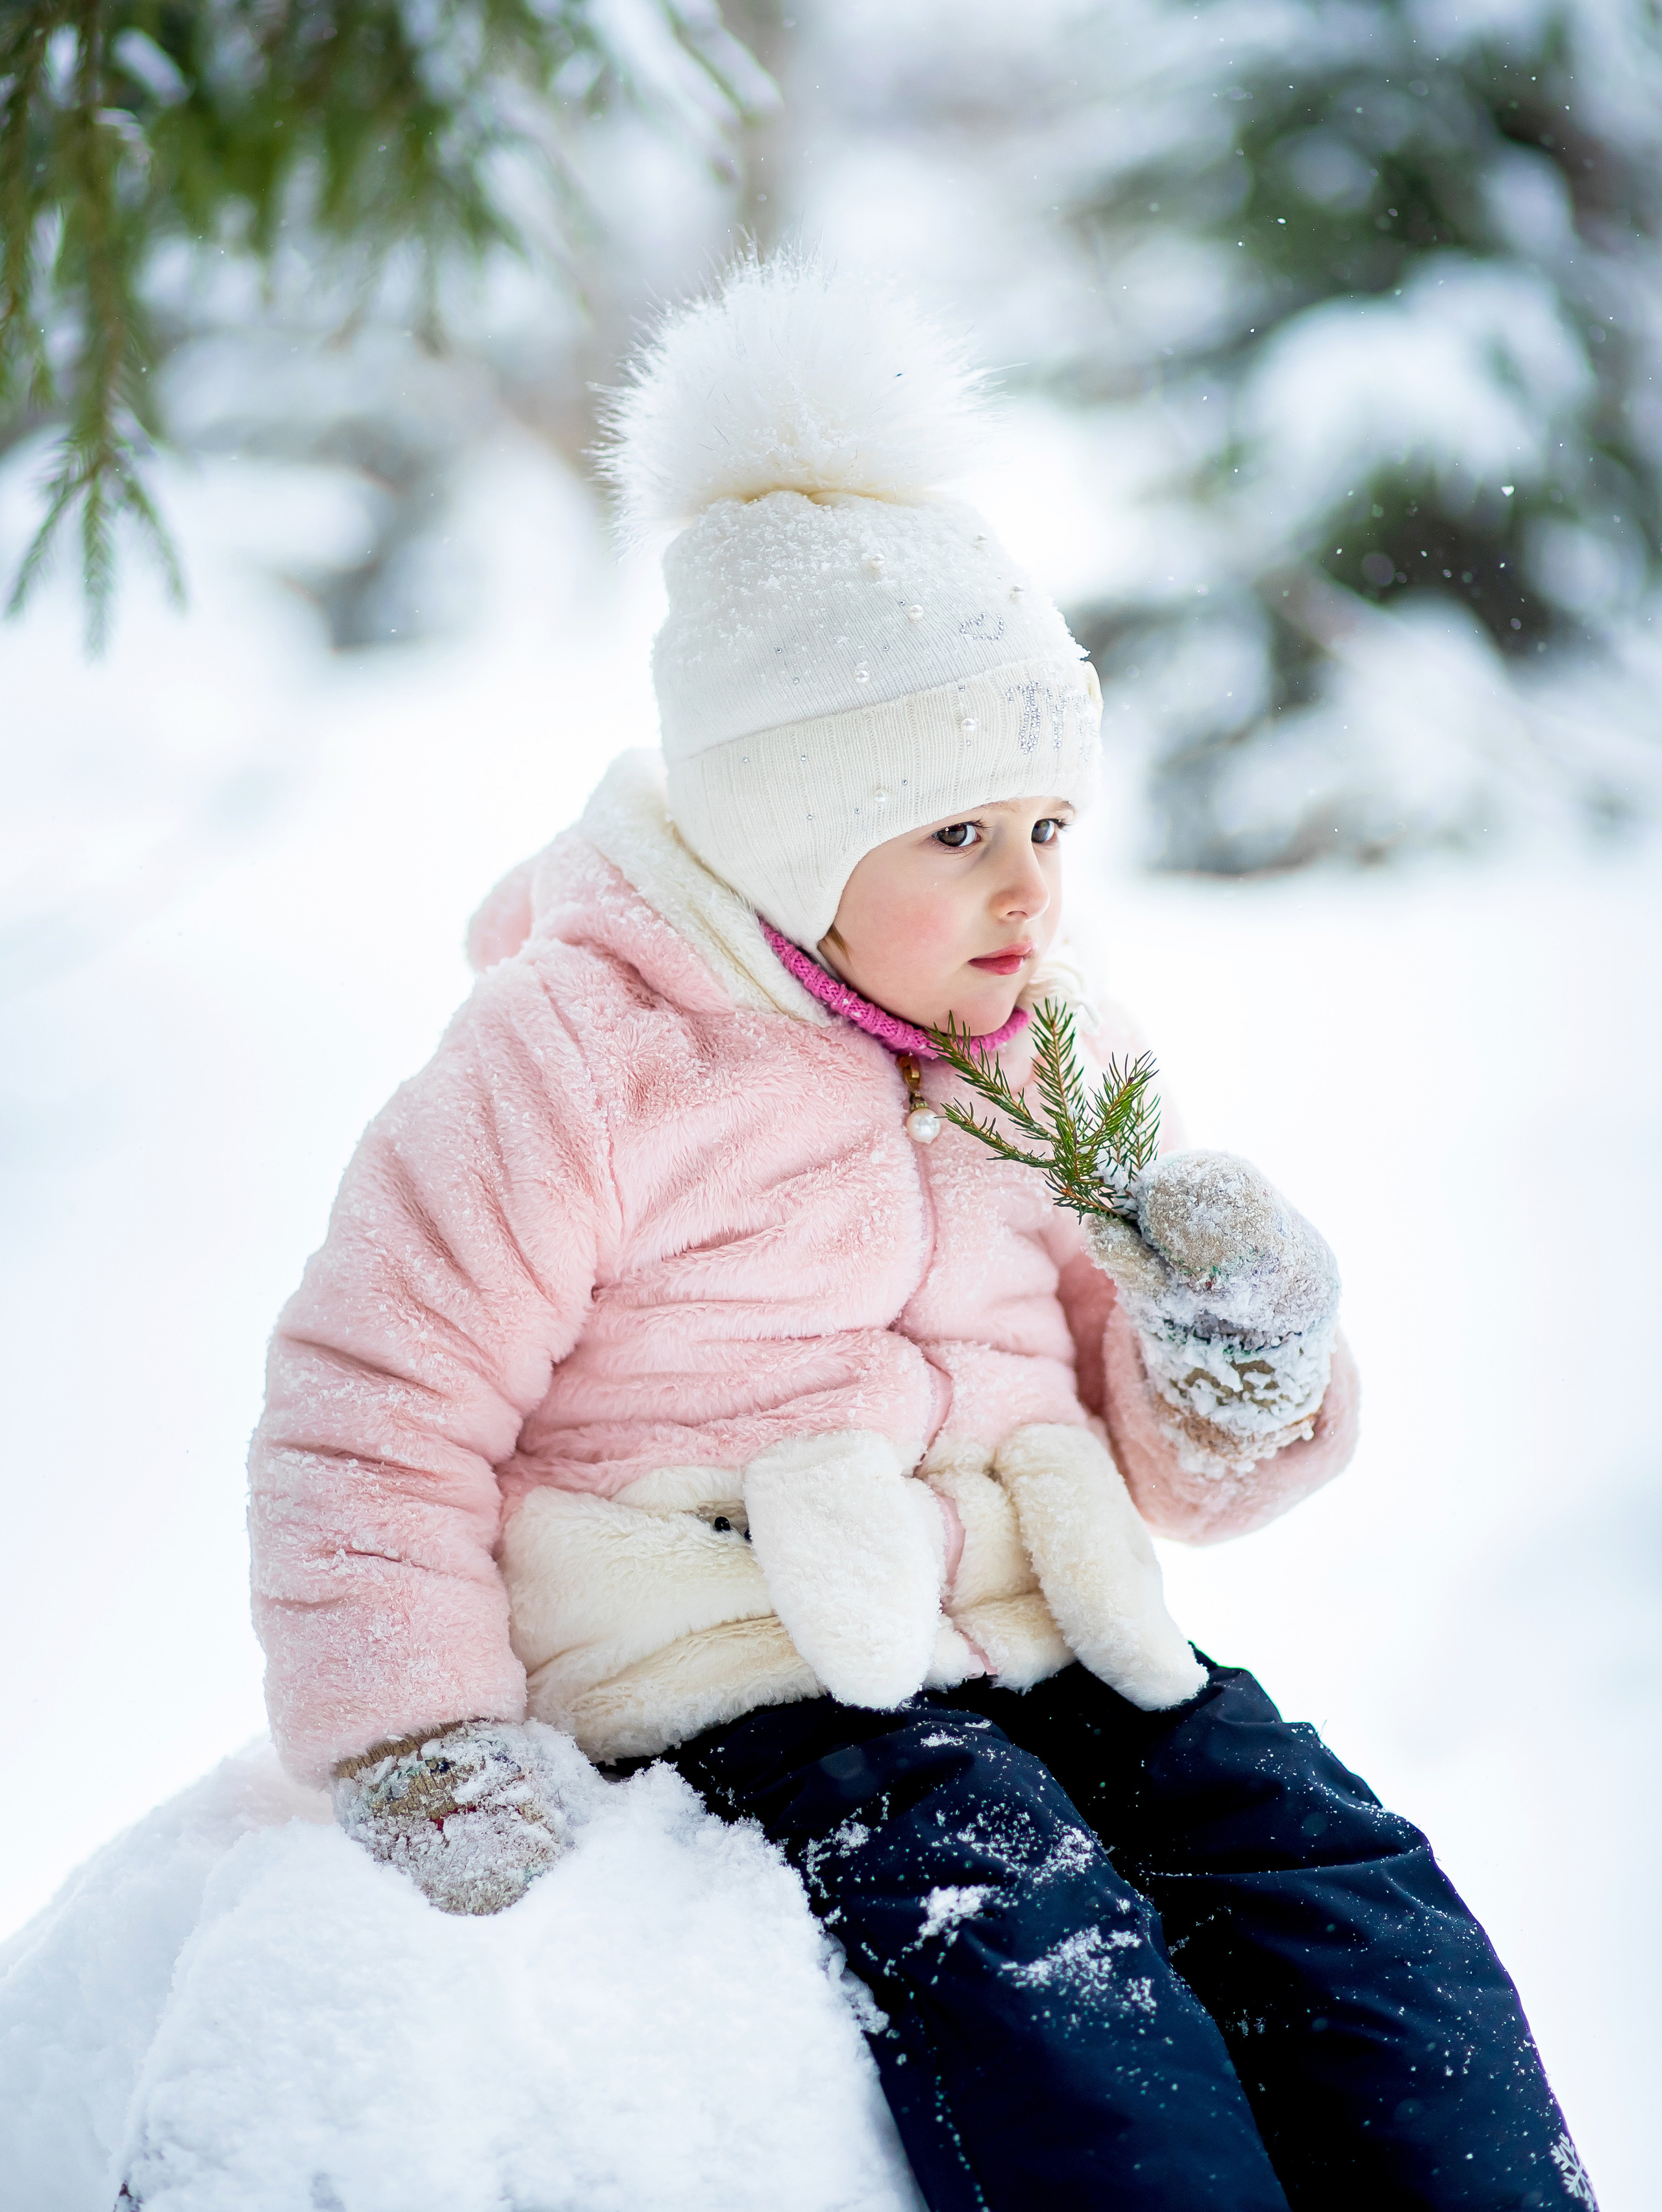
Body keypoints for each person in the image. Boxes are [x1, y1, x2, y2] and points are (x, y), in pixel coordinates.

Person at [248, 255, 1589, 2210]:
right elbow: (375, 1400)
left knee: (1345, 1900)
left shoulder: (1046, 1039)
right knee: (1057, 1993)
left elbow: (1170, 1465)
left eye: (1049, 824)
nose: (1028, 888)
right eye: (957, 832)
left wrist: (1232, 1354)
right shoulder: (577, 1053)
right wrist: (422, 1735)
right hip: (749, 1664)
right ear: (796, 831)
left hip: (1061, 1635)